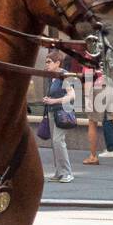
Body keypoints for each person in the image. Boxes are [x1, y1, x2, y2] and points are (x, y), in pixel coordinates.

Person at [83, 57, 113, 168]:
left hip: (99, 87)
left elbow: (88, 76)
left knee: (92, 122)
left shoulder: (91, 53)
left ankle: (93, 156)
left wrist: (87, 98)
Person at [41, 53, 76, 183]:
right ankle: (59, 172)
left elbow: (72, 95)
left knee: (58, 141)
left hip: (62, 113)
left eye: (49, 62)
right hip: (52, 112)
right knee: (55, 143)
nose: (47, 64)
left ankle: (67, 173)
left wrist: (54, 101)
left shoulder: (63, 76)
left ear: (57, 63)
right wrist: (48, 100)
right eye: (46, 62)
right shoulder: (52, 77)